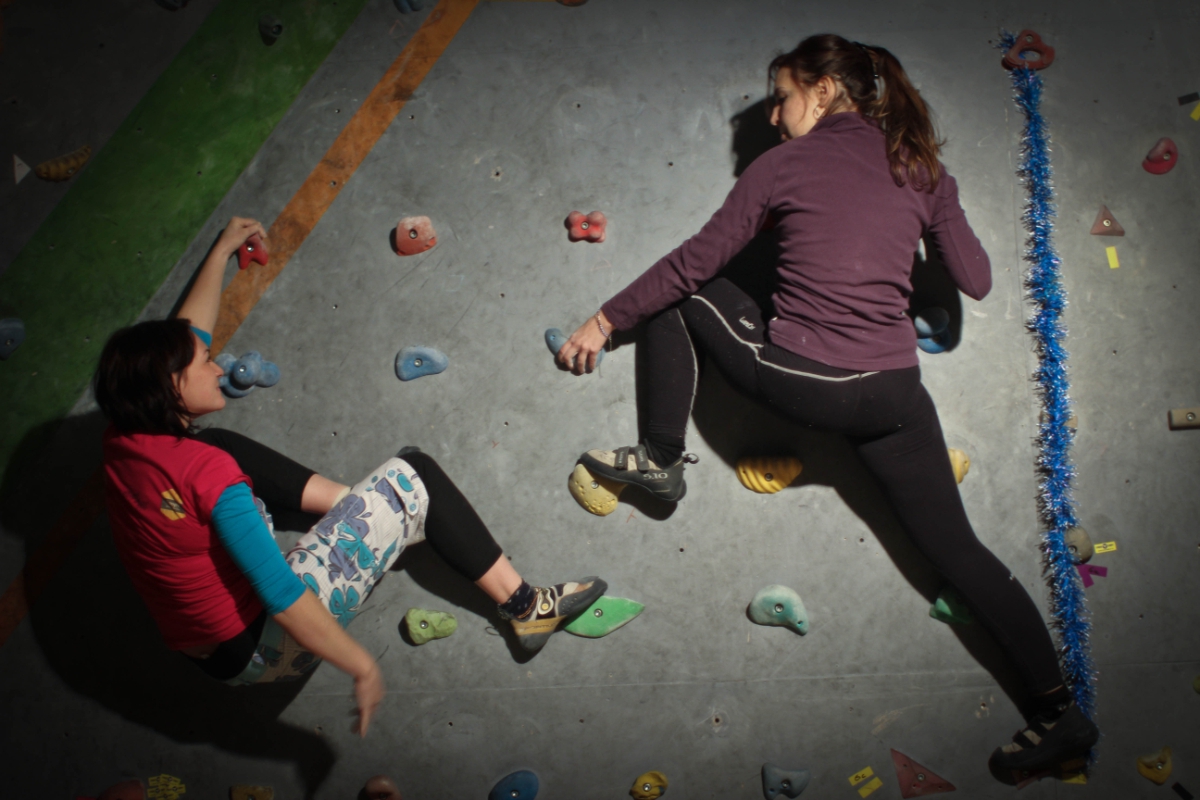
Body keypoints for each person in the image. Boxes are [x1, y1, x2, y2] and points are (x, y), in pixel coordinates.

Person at [556, 35, 1097, 778]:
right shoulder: (923, 168)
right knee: (960, 552)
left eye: (781, 98)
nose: (774, 118)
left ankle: (660, 457)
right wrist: (930, 203)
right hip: (895, 395)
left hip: (812, 381)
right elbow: (976, 279)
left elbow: (692, 265)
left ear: (821, 89)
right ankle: (1061, 712)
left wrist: (605, 319)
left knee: (684, 298)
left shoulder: (782, 166)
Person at [95, 217, 606, 737]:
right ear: (170, 385)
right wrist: (361, 666)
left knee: (217, 440)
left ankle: (367, 510)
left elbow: (186, 334)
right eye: (204, 362)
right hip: (268, 646)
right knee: (416, 473)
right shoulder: (209, 476)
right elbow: (281, 594)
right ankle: (527, 608)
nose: (217, 367)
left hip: (210, 655)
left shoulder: (125, 438)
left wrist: (224, 249)